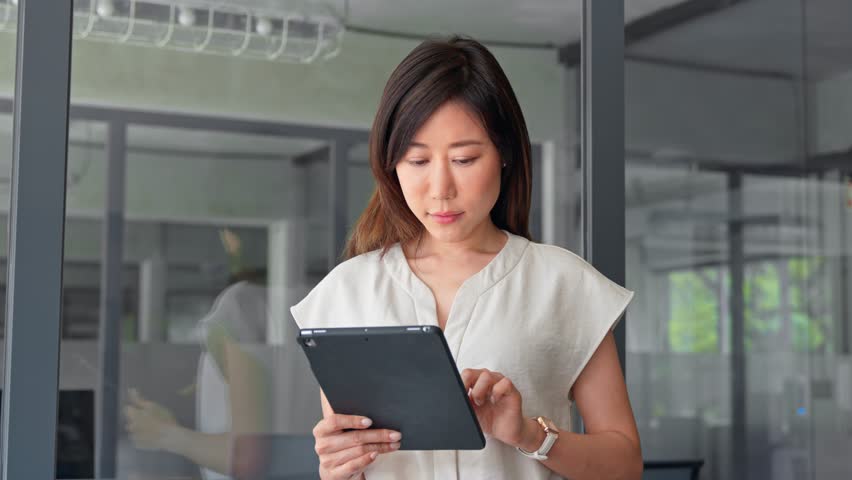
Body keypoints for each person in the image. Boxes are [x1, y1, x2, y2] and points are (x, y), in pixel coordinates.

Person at [289, 36, 642, 480]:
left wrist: (529, 435)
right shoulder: (346, 292)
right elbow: (352, 458)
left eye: (464, 158)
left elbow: (625, 465)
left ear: (506, 155)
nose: (440, 188)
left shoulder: (562, 284)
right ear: (390, 165)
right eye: (417, 161)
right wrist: (337, 467)